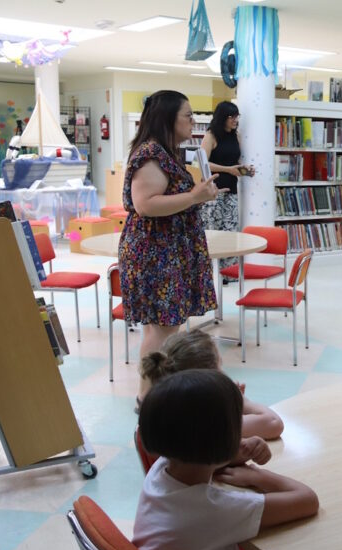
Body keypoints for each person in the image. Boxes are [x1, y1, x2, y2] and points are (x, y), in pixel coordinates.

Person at [133, 369, 319, 550]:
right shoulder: (214, 509)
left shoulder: (162, 468)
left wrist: (240, 451)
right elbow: (307, 500)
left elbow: (200, 455)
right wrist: (257, 476)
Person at [119, 90, 221, 404]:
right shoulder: (151, 153)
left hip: (167, 251)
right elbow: (145, 204)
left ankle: (156, 393)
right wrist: (194, 197)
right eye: (187, 115)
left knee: (166, 327)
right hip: (155, 253)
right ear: (168, 118)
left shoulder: (167, 151)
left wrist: (198, 193)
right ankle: (146, 398)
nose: (194, 120)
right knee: (161, 330)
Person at [140, 329, 284, 439]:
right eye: (220, 366)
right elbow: (273, 423)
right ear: (207, 380)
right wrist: (242, 401)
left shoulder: (169, 410)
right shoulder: (209, 420)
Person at [199, 101, 254, 272]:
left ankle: (228, 272)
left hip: (231, 189)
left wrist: (244, 169)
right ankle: (209, 270)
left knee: (230, 231)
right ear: (223, 117)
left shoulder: (235, 136)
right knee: (212, 231)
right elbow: (202, 163)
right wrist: (228, 170)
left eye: (237, 116)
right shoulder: (211, 136)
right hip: (213, 191)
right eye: (232, 117)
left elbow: (234, 161)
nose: (235, 120)